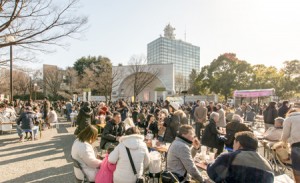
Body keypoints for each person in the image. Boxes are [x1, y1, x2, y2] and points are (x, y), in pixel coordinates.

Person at [207, 131, 274, 183]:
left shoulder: (229, 157)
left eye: (234, 143)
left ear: (238, 143)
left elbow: (213, 174)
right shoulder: (268, 164)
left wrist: (210, 162)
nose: (233, 146)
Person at [281, 105, 300, 183]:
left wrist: (283, 142)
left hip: (296, 145)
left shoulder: (289, 119)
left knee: (297, 168)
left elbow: (285, 134)